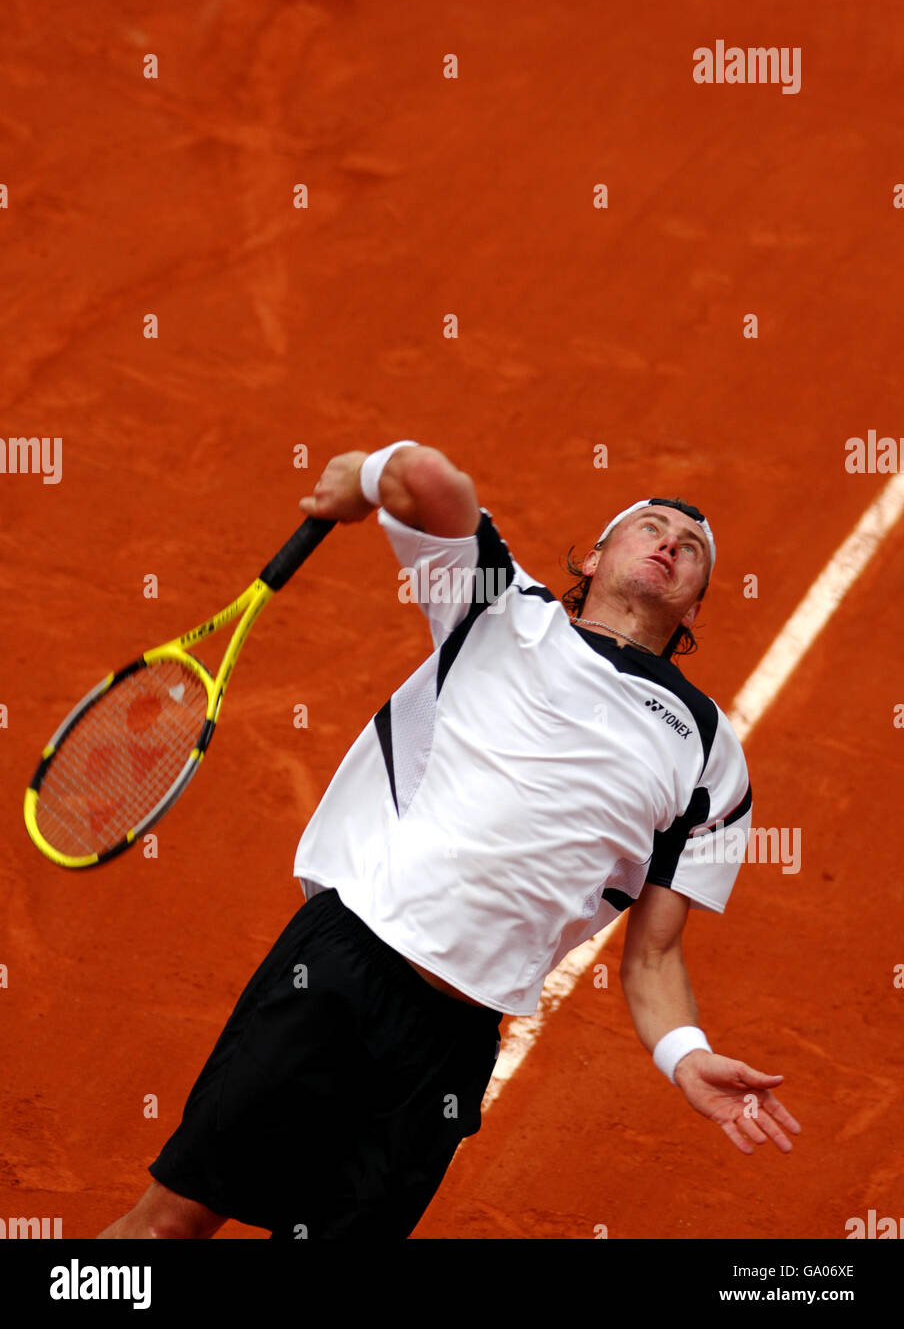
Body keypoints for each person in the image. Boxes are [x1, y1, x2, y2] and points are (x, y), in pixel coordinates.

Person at [98, 440, 800, 1241]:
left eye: (692, 547)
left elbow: (655, 957)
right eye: (649, 526)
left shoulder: (713, 754)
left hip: (453, 1044)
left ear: (698, 605)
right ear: (598, 555)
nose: (670, 541)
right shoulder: (499, 609)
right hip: (340, 970)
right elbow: (426, 480)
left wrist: (684, 1053)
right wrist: (364, 480)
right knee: (168, 1226)